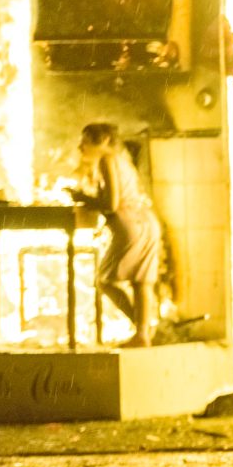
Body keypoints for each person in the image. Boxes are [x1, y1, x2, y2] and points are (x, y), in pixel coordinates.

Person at [68, 123, 162, 348]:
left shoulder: (106, 160)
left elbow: (111, 204)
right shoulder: (123, 159)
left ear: (104, 141)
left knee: (104, 280)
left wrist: (81, 197)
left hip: (129, 224)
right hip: (148, 222)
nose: (81, 146)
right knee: (141, 281)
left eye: (86, 140)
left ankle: (143, 329)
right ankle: (143, 333)